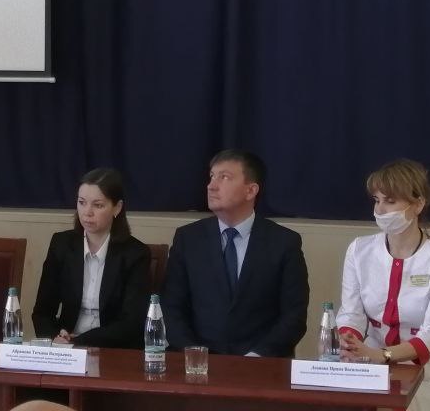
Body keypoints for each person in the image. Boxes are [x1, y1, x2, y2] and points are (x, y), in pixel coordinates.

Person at [161, 149, 308, 356]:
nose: (211, 186)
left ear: (251, 190)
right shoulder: (188, 238)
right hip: (196, 361)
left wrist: (257, 356)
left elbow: (294, 316)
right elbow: (171, 307)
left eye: (224, 177)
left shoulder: (284, 242)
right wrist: (194, 354)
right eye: (212, 176)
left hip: (261, 363)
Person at [338, 159, 430, 411]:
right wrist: (349, 342)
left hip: (426, 375)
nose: (380, 210)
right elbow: (351, 313)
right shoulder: (359, 250)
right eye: (376, 200)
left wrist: (382, 355)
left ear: (418, 204)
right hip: (368, 366)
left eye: (390, 201)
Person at [31, 167, 151, 348]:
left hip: (112, 349)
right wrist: (55, 337)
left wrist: (78, 341)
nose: (87, 212)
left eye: (98, 205)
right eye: (82, 202)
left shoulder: (136, 254)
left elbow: (132, 323)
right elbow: (42, 312)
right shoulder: (61, 244)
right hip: (65, 346)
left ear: (117, 208)